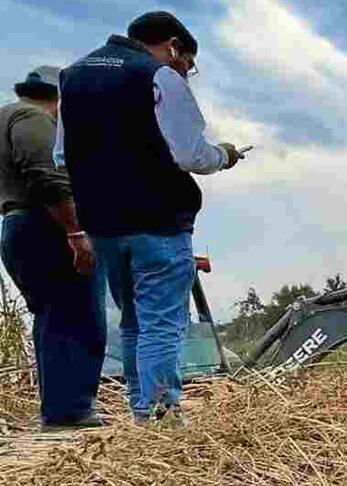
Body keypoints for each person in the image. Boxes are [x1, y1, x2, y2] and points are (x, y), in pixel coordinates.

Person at [55, 11, 245, 423]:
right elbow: (188, 154)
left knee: (133, 323)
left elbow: (61, 156)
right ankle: (161, 418)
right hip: (158, 221)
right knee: (162, 323)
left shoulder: (73, 76)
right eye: (187, 63)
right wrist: (225, 156)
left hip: (103, 225)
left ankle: (142, 412)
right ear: (173, 46)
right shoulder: (158, 76)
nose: (185, 71)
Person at [0, 66, 106, 430]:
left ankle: (60, 408)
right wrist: (76, 232)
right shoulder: (32, 118)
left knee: (51, 318)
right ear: (60, 96)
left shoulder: (4, 117)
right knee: (79, 317)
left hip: (17, 224)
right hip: (47, 227)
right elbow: (46, 176)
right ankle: (71, 411)